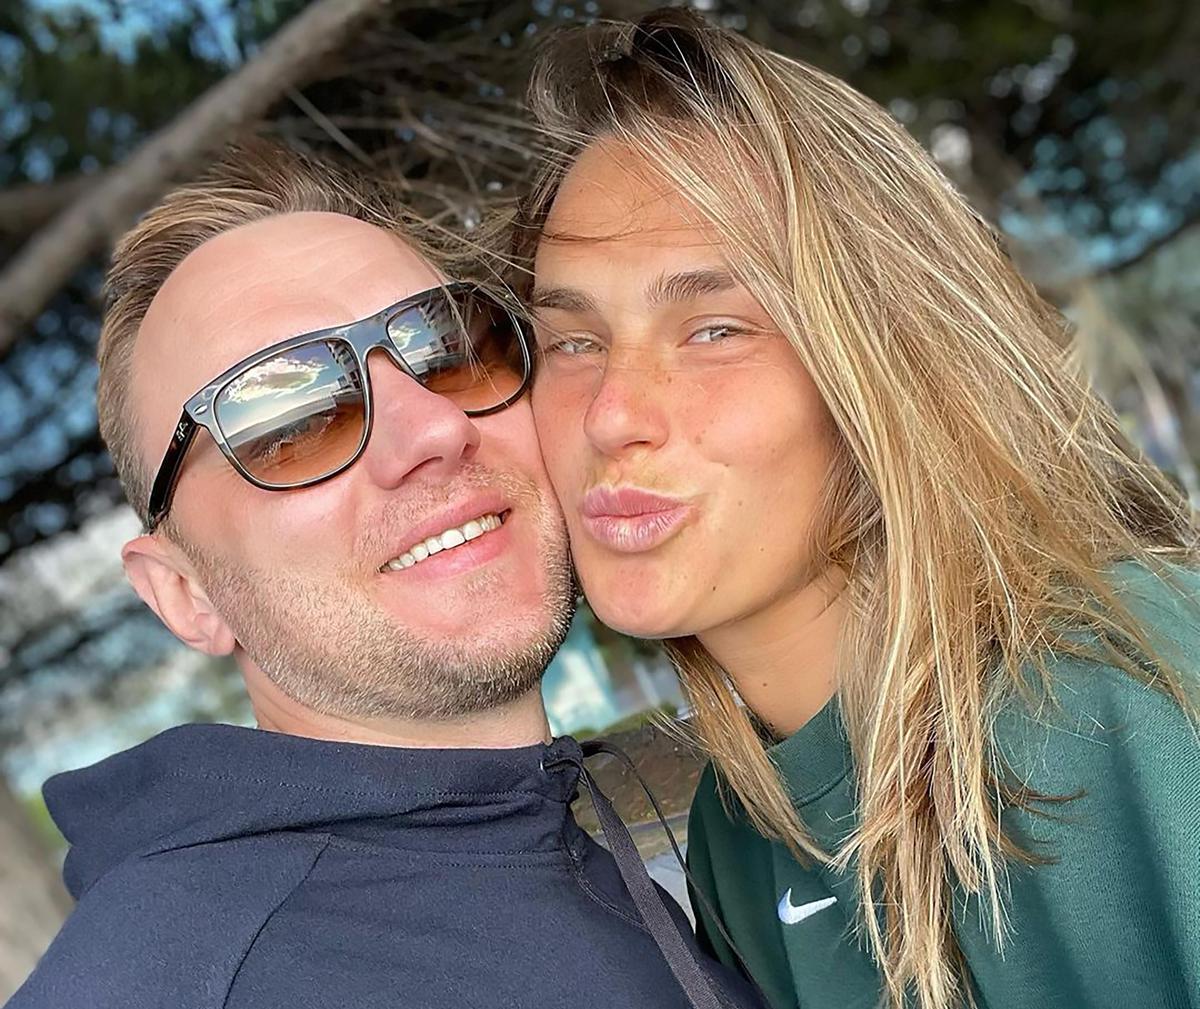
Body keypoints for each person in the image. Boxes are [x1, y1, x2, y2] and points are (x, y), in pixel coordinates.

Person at [518, 9, 1200, 1009]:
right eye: (572, 343)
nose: (611, 413)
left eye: (715, 329)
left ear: (883, 356)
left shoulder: (1135, 691)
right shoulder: (737, 841)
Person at [6, 141, 764, 1009]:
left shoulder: (597, 853)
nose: (434, 427)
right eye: (291, 419)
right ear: (186, 595)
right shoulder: (154, 986)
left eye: (448, 348)